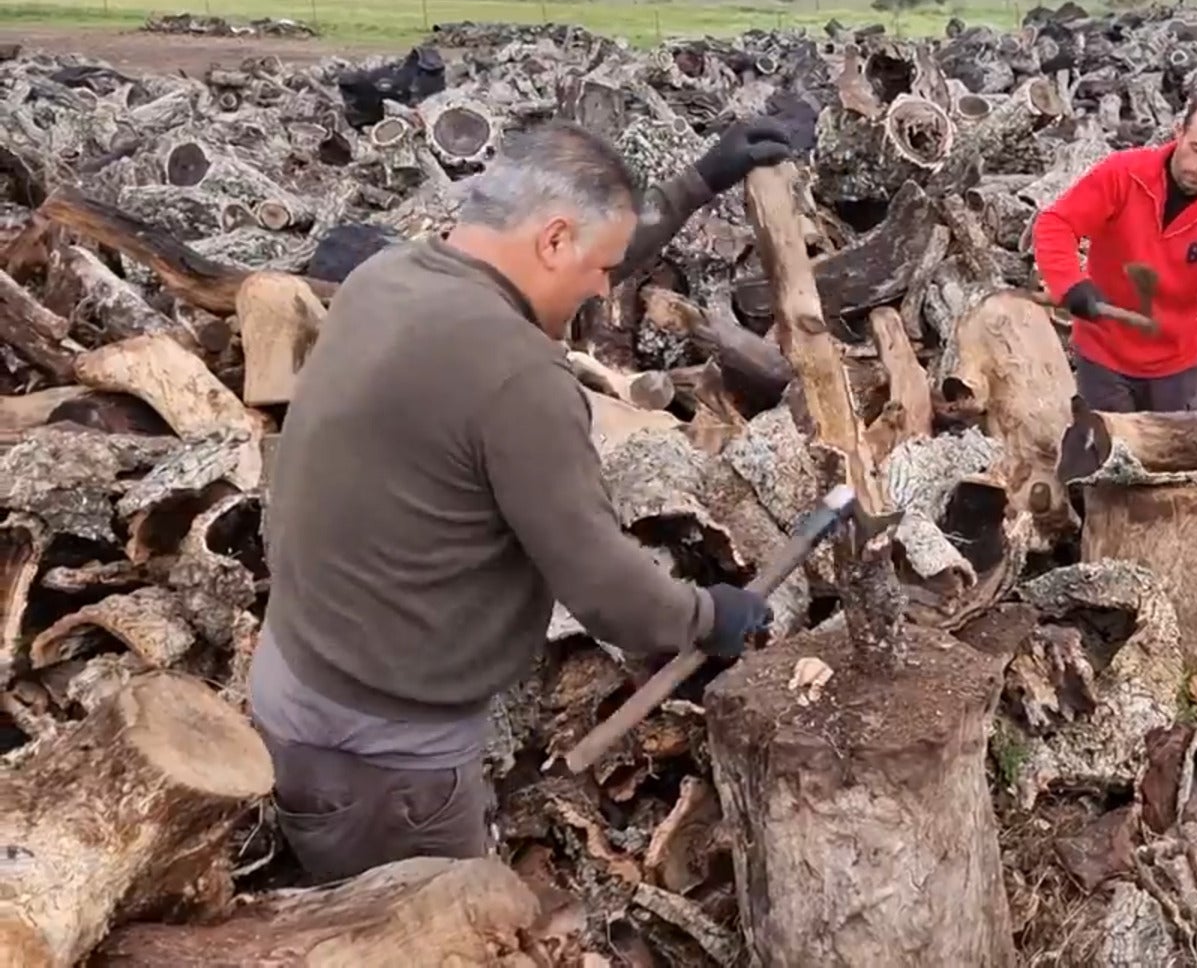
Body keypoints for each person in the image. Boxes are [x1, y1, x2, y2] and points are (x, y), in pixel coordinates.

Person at [248, 119, 793, 884]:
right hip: (387, 762)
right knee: (428, 936)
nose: (607, 288)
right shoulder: (520, 380)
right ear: (554, 239)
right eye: (601, 267)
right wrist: (710, 616)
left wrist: (700, 180)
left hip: (297, 686)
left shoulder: (391, 277)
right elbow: (605, 589)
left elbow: (563, 269)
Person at [1032, 90, 1197, 440]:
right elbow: (1055, 224)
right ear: (1179, 132)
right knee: (1106, 460)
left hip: (1175, 365)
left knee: (1171, 464)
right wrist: (1070, 283)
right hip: (1103, 356)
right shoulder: (1124, 175)